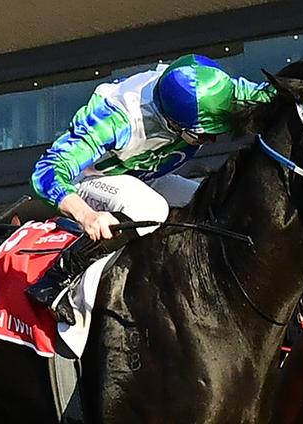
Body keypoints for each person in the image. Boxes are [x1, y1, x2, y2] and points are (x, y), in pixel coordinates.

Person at [26, 54, 275, 322]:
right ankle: (60, 274)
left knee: (215, 198)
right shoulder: (116, 121)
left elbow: (270, 95)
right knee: (151, 208)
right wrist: (87, 215)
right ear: (174, 122)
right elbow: (46, 171)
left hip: (140, 176)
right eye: (203, 134)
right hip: (87, 181)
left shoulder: (214, 90)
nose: (212, 139)